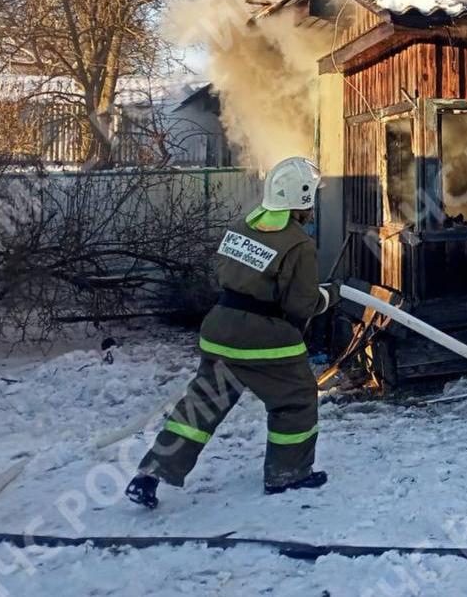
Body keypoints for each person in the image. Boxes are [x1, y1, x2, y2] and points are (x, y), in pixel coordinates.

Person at [126, 157, 338, 508]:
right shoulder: (299, 244)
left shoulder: (242, 226)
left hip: (220, 330)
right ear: (301, 199)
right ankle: (288, 474)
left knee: (202, 406)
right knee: (297, 398)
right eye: (311, 197)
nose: (313, 206)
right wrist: (328, 298)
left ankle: (149, 475)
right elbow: (301, 304)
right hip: (261, 340)